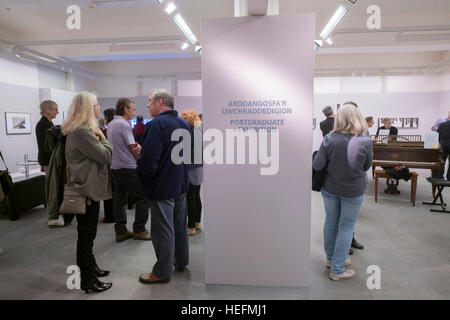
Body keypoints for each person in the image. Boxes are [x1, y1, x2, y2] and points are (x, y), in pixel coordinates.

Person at [136, 89, 191, 284]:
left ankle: (161, 271)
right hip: (181, 184)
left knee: (162, 231)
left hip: (162, 187)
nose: (148, 105)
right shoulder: (184, 123)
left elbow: (149, 161)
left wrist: (141, 169)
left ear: (160, 101)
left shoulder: (157, 124)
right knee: (179, 226)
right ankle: (181, 261)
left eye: (150, 101)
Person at [313, 104, 373, 281]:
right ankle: (338, 269)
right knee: (346, 227)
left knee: (331, 223)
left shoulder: (329, 138)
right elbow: (366, 166)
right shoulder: (365, 141)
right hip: (353, 191)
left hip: (330, 188)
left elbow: (317, 165)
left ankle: (332, 261)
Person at [62, 91, 112, 293]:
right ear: (87, 108)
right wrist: (103, 136)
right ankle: (88, 280)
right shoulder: (82, 131)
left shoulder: (77, 129)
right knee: (86, 237)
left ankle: (92, 269)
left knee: (86, 235)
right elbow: (106, 156)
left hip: (85, 187)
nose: (98, 108)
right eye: (95, 104)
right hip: (86, 191)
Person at [108, 98, 150, 242]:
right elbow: (132, 148)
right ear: (125, 109)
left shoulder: (112, 123)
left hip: (116, 166)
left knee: (119, 199)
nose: (134, 112)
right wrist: (140, 152)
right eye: (133, 109)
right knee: (143, 197)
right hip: (128, 167)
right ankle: (139, 229)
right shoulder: (124, 125)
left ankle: (120, 231)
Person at [36, 100, 64, 228]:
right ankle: (52, 216)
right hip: (48, 161)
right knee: (51, 188)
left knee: (53, 187)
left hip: (50, 160)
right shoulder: (43, 124)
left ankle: (54, 214)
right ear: (47, 110)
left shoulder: (48, 123)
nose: (57, 112)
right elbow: (47, 146)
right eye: (55, 109)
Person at [180, 109, 203, 236]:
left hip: (191, 168)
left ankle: (191, 226)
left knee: (190, 198)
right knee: (196, 196)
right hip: (198, 167)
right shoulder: (199, 130)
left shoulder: (188, 131)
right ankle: (197, 222)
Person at [100, 108, 116, 224]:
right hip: (119, 164)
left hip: (109, 164)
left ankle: (109, 216)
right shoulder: (121, 128)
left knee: (109, 192)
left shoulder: (106, 132)